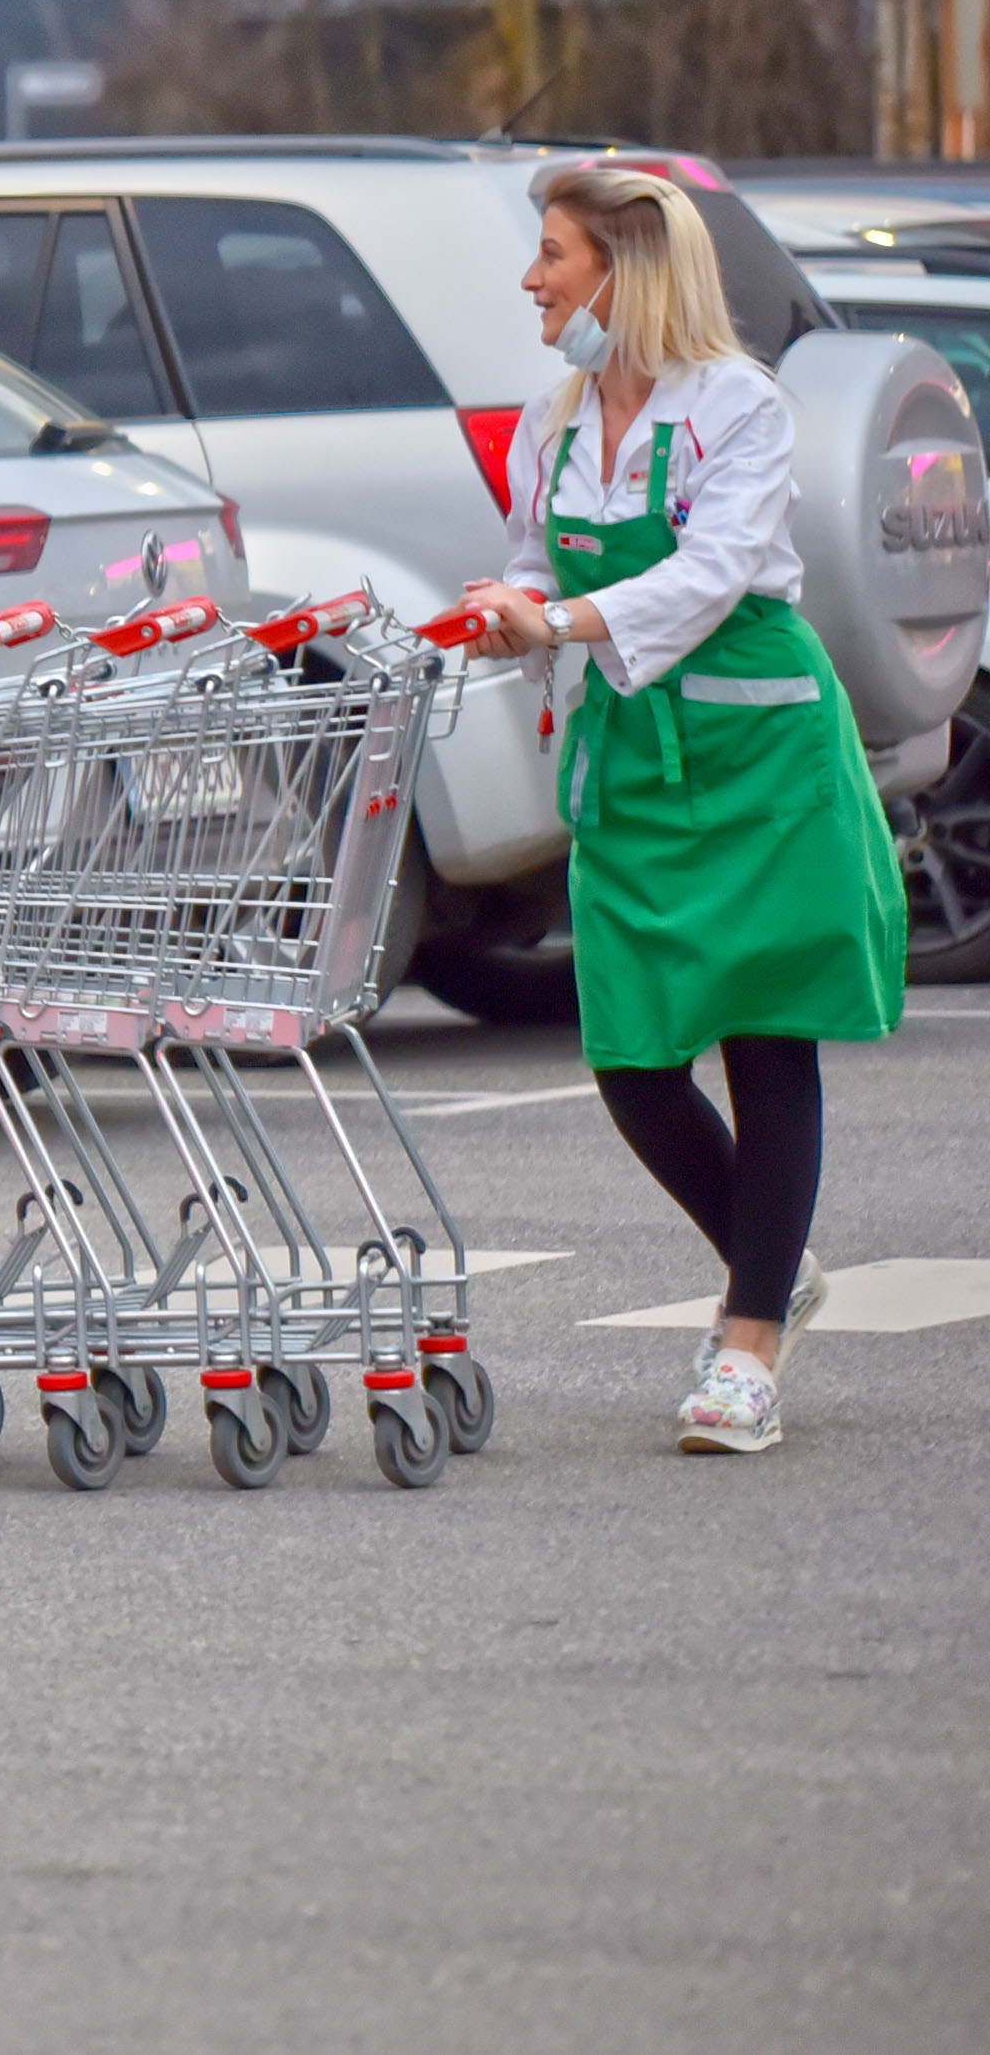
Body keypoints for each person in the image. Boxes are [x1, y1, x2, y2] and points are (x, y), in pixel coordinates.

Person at [458, 164, 902, 1456]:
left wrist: (568, 620)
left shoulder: (739, 410)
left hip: (758, 756)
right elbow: (541, 557)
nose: (533, 282)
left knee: (767, 1040)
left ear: (625, 272)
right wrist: (507, 611)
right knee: (634, 1054)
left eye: (552, 255)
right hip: (638, 761)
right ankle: (776, 1262)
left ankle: (748, 1340)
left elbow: (711, 576)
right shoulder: (552, 423)